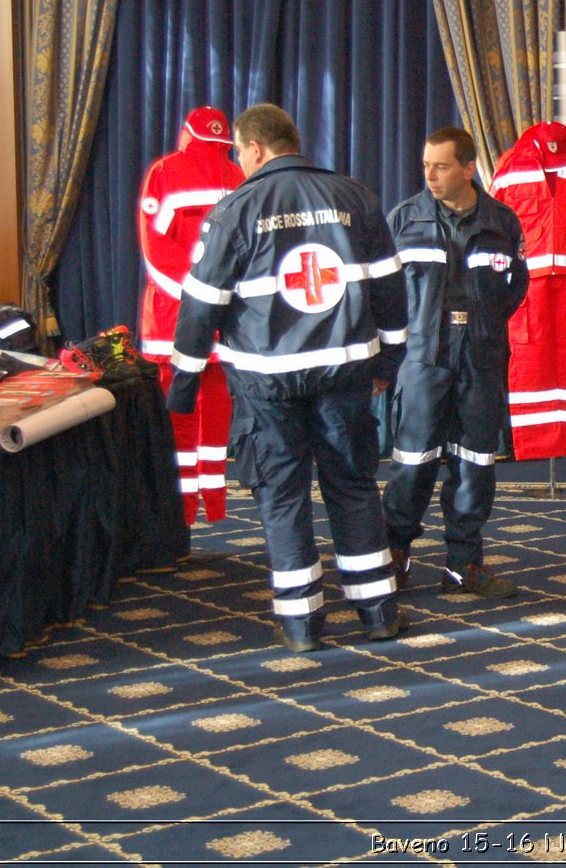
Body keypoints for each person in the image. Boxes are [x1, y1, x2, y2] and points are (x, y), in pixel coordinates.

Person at [167, 103, 409, 653]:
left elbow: (200, 306)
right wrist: (389, 364)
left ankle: (301, 625)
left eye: (238, 152)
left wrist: (183, 387)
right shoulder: (356, 198)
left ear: (253, 149)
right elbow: (393, 293)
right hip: (345, 374)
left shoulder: (233, 211)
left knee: (282, 495)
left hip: (266, 384)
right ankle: (378, 613)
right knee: (352, 487)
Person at [384, 127, 528, 600]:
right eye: (426, 165)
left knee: (474, 465)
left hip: (480, 356)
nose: (430, 175)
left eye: (441, 166)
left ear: (469, 169)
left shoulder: (503, 222)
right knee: (413, 462)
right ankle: (395, 554)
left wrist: (481, 326)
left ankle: (463, 565)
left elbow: (515, 287)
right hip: (423, 356)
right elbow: (381, 294)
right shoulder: (404, 220)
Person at [137, 106, 245, 524]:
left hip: (173, 314)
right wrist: (220, 298)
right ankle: (214, 503)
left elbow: (154, 249)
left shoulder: (164, 172)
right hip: (222, 313)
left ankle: (182, 508)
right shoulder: (236, 176)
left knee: (178, 405)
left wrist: (192, 298)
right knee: (218, 405)